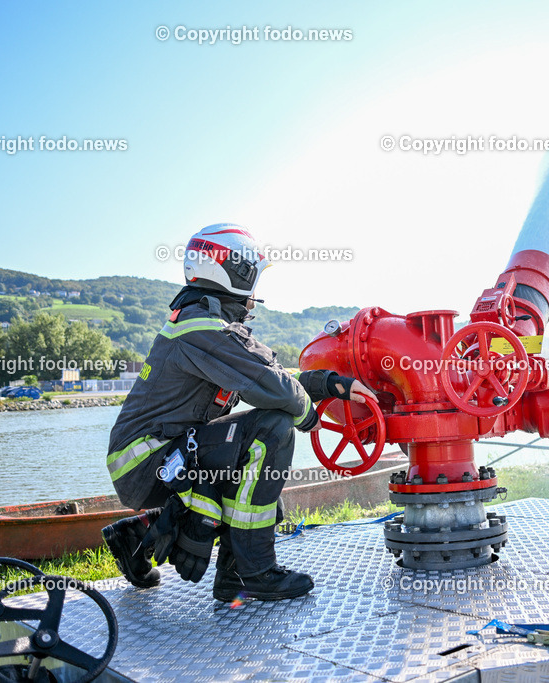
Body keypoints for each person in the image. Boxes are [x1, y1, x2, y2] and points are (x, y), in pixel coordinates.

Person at [101, 223, 375, 602]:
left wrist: (330, 384)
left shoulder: (201, 321)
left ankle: (137, 538)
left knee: (255, 446)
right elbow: (272, 387)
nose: (254, 298)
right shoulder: (204, 328)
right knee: (273, 430)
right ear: (236, 272)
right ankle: (252, 571)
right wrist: (308, 416)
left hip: (153, 457)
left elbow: (266, 376)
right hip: (149, 461)